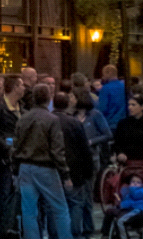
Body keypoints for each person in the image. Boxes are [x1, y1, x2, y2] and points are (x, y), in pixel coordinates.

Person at [13, 84, 72, 239]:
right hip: (46, 167)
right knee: (60, 208)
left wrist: (15, 170)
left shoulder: (23, 118)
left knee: (29, 211)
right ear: (49, 98)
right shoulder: (52, 119)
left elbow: (16, 146)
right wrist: (65, 174)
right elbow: (57, 150)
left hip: (25, 166)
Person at [0, 74, 24, 239]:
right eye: (21, 85)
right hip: (4, 159)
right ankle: (4, 228)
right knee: (5, 192)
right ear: (14, 88)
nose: (24, 88)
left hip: (20, 157)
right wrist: (7, 145)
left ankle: (13, 226)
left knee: (16, 193)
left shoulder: (22, 107)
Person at [53, 92, 94, 239]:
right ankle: (74, 234)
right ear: (67, 104)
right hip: (74, 170)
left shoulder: (47, 121)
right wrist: (88, 171)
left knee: (54, 206)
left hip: (53, 170)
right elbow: (84, 149)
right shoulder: (74, 122)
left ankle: (56, 234)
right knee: (75, 204)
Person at [113, 95, 143, 164]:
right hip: (127, 161)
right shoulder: (123, 123)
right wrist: (120, 153)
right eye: (129, 105)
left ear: (142, 107)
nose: (130, 107)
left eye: (133, 105)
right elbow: (117, 143)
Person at [99, 174, 143, 239]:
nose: (135, 183)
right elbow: (125, 201)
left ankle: (123, 237)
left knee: (120, 221)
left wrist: (129, 190)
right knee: (109, 211)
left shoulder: (142, 191)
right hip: (126, 209)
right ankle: (106, 233)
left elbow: (133, 199)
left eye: (138, 182)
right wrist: (119, 201)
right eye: (133, 182)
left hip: (136, 210)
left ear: (142, 185)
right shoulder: (128, 191)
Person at [98, 64, 127, 133]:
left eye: (103, 74)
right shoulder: (124, 87)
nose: (103, 77)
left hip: (110, 123)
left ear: (108, 73)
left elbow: (102, 108)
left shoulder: (105, 89)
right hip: (124, 122)